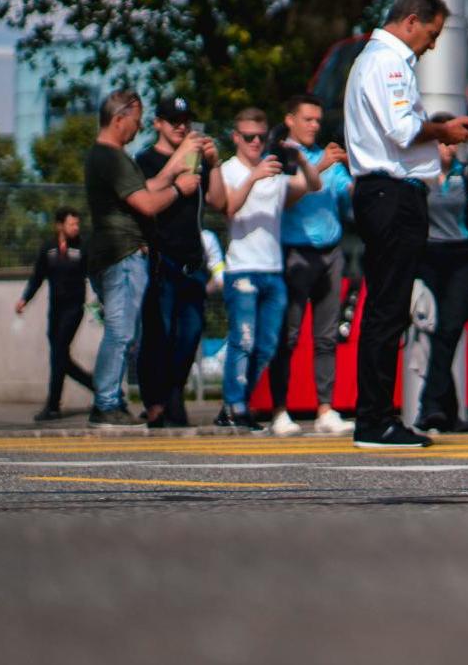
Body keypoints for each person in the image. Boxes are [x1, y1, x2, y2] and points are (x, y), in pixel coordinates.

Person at [344, 0, 468, 449]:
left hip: (383, 193)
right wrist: (444, 129)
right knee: (388, 308)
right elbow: (402, 130)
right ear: (413, 21)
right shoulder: (391, 61)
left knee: (388, 307)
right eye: (433, 34)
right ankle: (375, 420)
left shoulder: (374, 59)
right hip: (391, 194)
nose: (433, 45)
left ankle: (376, 418)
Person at [82, 89, 195, 425]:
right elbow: (146, 204)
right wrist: (179, 190)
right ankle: (105, 402)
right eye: (135, 119)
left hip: (113, 253)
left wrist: (173, 171)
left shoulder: (108, 157)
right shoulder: (112, 157)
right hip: (124, 253)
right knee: (121, 331)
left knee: (123, 331)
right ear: (119, 119)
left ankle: (110, 400)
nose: (139, 126)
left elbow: (147, 188)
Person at [208, 106, 321, 431]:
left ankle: (236, 401)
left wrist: (300, 158)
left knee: (268, 344)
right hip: (242, 269)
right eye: (248, 137)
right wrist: (253, 176)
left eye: (260, 137)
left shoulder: (274, 170)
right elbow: (229, 208)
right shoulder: (229, 170)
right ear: (236, 138)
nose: (255, 143)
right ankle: (235, 406)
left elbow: (312, 185)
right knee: (242, 340)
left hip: (272, 270)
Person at [401, 122, 468, 433]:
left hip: (459, 258)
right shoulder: (418, 175)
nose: (448, 149)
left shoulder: (467, 175)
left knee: (451, 329)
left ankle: (429, 409)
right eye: (442, 143)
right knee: (432, 333)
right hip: (427, 257)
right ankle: (447, 412)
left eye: (452, 144)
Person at [272, 95, 354, 436]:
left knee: (326, 337)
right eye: (307, 119)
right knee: (288, 336)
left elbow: (348, 194)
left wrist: (358, 169)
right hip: (294, 251)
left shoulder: (328, 157)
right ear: (290, 119)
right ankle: (280, 410)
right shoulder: (282, 155)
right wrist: (318, 167)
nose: (314, 126)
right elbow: (285, 197)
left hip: (330, 252)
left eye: (318, 120)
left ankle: (325, 409)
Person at [136, 96, 218, 428]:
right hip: (160, 258)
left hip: (191, 259)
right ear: (157, 123)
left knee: (191, 332)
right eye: (173, 120)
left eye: (185, 120)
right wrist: (176, 178)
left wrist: (214, 162)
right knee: (159, 333)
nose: (181, 127)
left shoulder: (197, 162)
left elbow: (218, 201)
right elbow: (143, 194)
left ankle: (173, 393)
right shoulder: (146, 160)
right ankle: (157, 401)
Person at [18, 208, 93, 420]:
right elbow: (37, 277)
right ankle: (97, 385)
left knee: (59, 352)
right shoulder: (48, 249)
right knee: (60, 357)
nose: (76, 228)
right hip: (56, 309)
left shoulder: (81, 248)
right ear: (59, 225)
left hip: (74, 307)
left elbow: (93, 272)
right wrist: (25, 299)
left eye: (77, 224)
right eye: (71, 224)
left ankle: (53, 405)